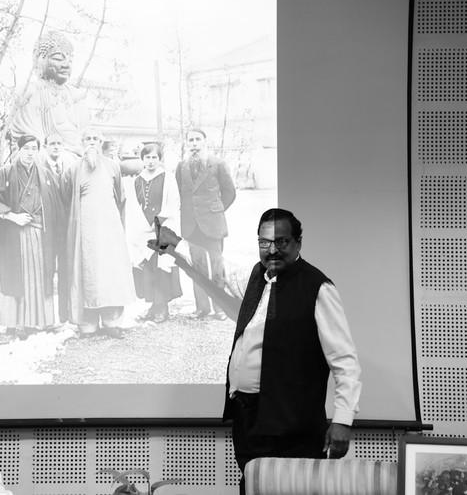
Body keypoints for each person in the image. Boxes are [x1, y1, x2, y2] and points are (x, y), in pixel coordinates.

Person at [150, 208, 361, 495]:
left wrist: (343, 420)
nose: (272, 250)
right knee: (252, 487)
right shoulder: (256, 277)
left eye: (281, 242)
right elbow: (218, 269)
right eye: (265, 242)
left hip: (292, 426)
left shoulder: (318, 288)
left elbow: (344, 361)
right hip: (248, 418)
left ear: (298, 243)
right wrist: (176, 244)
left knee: (292, 490)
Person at [0, 135, 62, 339]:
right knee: (15, 277)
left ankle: (38, 321)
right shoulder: (5, 173)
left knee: (39, 277)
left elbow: (56, 205)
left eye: (34, 149)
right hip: (14, 233)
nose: (30, 153)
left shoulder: (46, 174)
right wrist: (13, 216)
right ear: (18, 150)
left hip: (40, 233)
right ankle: (14, 324)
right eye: (26, 148)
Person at [64, 130, 136, 338]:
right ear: (82, 142)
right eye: (88, 139)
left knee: (110, 273)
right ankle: (88, 324)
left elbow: (120, 196)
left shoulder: (112, 166)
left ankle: (111, 322)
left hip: (109, 228)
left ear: (101, 142)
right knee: (87, 273)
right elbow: (66, 198)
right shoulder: (73, 169)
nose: (92, 142)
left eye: (95, 139)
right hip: (84, 229)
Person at [174, 128, 236, 320]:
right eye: (191, 140)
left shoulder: (218, 164)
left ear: (204, 141)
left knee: (217, 266)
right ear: (187, 143)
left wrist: (215, 210)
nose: (194, 143)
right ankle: (202, 308)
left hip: (212, 224)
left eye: (197, 139)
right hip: (191, 225)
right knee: (197, 268)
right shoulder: (181, 167)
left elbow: (230, 192)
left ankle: (221, 308)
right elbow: (182, 193)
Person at [9, 30, 89, 157]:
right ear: (39, 60)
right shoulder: (30, 93)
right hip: (44, 156)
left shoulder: (76, 96)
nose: (66, 65)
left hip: (75, 156)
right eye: (58, 59)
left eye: (70, 60)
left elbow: (85, 137)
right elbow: (29, 140)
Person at [131, 142, 182, 322]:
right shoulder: (137, 180)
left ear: (160, 159)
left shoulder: (167, 178)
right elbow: (135, 205)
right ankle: (153, 305)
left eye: (154, 157)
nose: (151, 161)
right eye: (147, 157)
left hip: (162, 227)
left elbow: (173, 203)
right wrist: (141, 225)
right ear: (142, 159)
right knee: (149, 268)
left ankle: (162, 308)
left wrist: (159, 221)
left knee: (161, 268)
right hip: (143, 230)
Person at [41, 133, 72, 323]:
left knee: (66, 271)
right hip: (47, 228)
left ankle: (64, 315)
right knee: (47, 270)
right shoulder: (39, 169)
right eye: (52, 143)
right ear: (45, 146)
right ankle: (46, 316)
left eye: (59, 143)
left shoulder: (69, 168)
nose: (56, 147)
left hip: (66, 227)